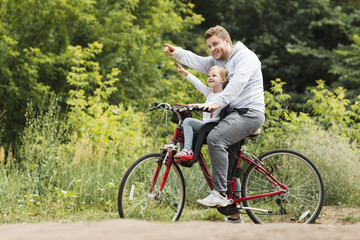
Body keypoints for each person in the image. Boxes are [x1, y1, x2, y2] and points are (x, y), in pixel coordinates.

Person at [164, 26, 265, 223]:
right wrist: (178, 52)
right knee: (229, 165)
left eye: (215, 44)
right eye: (209, 46)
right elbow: (199, 62)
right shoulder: (220, 60)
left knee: (215, 138)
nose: (212, 49)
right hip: (232, 115)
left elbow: (236, 85)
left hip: (249, 113)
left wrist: (216, 103)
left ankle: (219, 192)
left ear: (227, 41)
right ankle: (234, 216)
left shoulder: (246, 57)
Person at [173, 63, 228, 161]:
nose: (210, 77)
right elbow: (198, 84)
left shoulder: (224, 95)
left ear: (223, 79)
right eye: (209, 76)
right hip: (205, 124)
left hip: (212, 126)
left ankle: (188, 150)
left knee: (188, 121)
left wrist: (198, 105)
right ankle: (182, 154)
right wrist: (186, 73)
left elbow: (214, 104)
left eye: (214, 75)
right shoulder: (210, 92)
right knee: (182, 127)